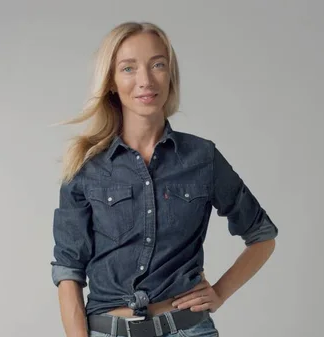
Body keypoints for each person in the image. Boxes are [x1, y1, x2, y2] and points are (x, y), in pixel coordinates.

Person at [50, 21, 278, 337]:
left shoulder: (202, 157)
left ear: (170, 74)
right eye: (128, 69)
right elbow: (68, 271)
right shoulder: (86, 167)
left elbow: (262, 236)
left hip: (188, 329)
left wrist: (221, 293)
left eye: (158, 65)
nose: (145, 80)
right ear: (112, 82)